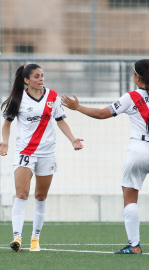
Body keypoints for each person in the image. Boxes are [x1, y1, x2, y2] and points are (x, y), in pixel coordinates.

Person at [61, 59, 149, 255]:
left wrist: (77, 107)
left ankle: (134, 245)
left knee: (130, 197)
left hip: (139, 149)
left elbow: (102, 114)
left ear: (137, 77)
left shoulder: (132, 97)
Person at [0, 64, 84, 252]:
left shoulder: (53, 96)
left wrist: (73, 140)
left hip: (47, 153)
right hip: (25, 153)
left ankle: (35, 238)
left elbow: (60, 121)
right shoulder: (17, 99)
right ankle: (17, 237)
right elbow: (7, 124)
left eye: (42, 76)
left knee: (41, 196)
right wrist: (5, 142)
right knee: (21, 193)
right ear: (26, 80)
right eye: (36, 76)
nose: (41, 79)